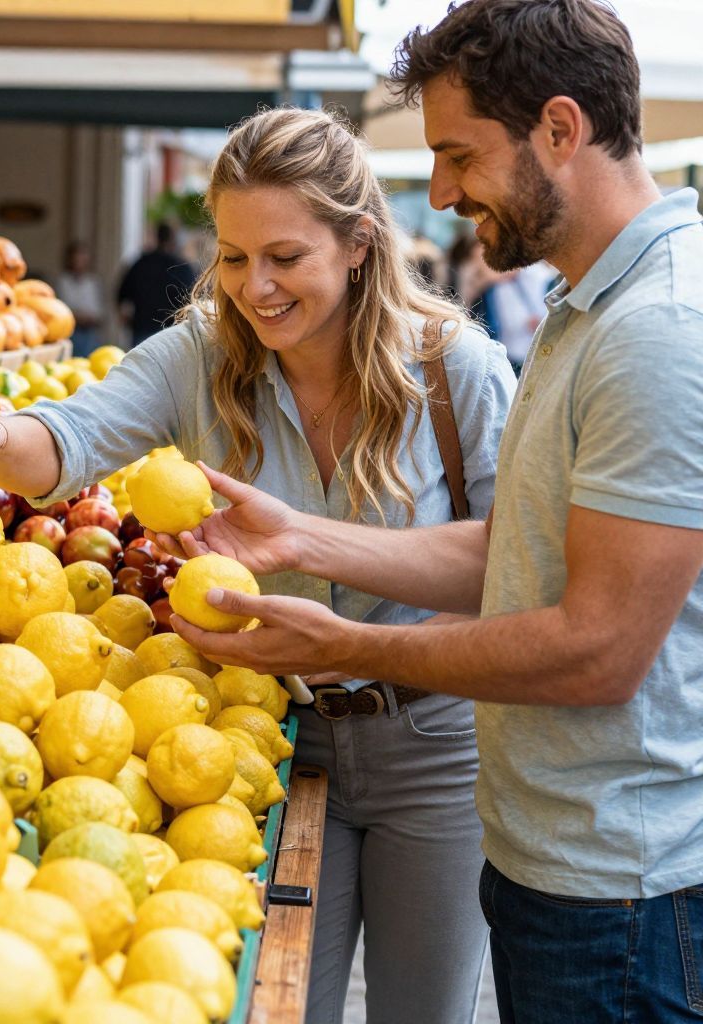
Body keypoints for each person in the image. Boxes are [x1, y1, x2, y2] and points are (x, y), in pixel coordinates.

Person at [0, 107, 517, 1024]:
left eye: (284, 257)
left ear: (357, 244)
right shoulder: (201, 357)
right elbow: (66, 438)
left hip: (435, 741)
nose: (254, 287)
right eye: (231, 257)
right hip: (261, 739)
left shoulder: (455, 370)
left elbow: (519, 557)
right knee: (277, 1004)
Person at [163, 3, 703, 1020]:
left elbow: (599, 647)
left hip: (627, 894)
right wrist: (309, 538)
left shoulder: (658, 328)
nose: (443, 192)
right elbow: (517, 559)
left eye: (459, 155)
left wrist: (350, 647)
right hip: (560, 862)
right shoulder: (587, 308)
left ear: (558, 128)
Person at [117, 222, 196, 345]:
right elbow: (193, 297)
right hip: (172, 332)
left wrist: (128, 320)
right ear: (172, 239)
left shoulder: (140, 263)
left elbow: (122, 295)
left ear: (157, 237)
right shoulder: (181, 266)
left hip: (142, 328)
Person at [55, 240, 107, 355]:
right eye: (77, 257)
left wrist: (89, 318)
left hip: (90, 333)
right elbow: (61, 308)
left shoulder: (93, 282)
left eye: (83, 257)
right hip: (71, 332)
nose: (80, 261)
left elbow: (99, 311)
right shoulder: (63, 281)